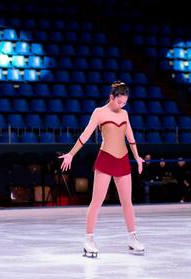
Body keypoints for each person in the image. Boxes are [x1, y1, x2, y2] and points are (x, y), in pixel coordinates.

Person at [59, 81, 145, 258]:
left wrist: (137, 157)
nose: (121, 105)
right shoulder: (99, 112)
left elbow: (131, 137)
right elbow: (85, 135)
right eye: (119, 102)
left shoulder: (125, 114)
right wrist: (71, 154)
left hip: (122, 160)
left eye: (124, 103)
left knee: (127, 202)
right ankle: (89, 240)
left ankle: (132, 237)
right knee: (97, 201)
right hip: (106, 159)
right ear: (111, 97)